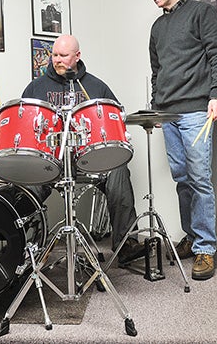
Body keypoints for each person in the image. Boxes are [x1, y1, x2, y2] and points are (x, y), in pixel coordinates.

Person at [141, 0, 217, 280]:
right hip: (167, 113)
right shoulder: (157, 27)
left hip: (196, 110)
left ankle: (206, 249)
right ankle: (192, 237)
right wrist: (155, 107)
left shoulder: (201, 13)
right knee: (182, 179)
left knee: (200, 179)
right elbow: (157, 72)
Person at [22, 34, 146, 266]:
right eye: (55, 55)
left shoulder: (96, 86)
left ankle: (126, 243)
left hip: (89, 159)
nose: (57, 60)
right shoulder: (36, 88)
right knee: (28, 181)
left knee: (119, 169)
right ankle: (27, 247)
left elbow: (115, 117)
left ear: (77, 56)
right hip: (52, 161)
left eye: (63, 56)